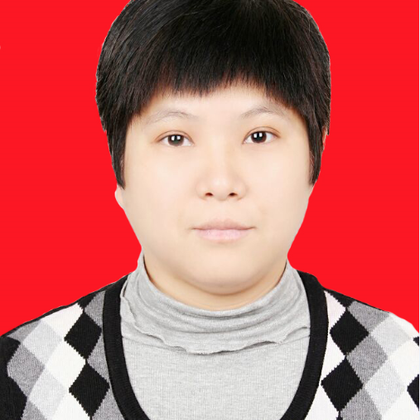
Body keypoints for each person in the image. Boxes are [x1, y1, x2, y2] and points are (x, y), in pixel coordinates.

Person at [1, 0, 418, 419]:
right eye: (176, 138)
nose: (221, 183)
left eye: (259, 135)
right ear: (118, 162)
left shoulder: (399, 368)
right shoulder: (26, 375)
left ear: (316, 154)